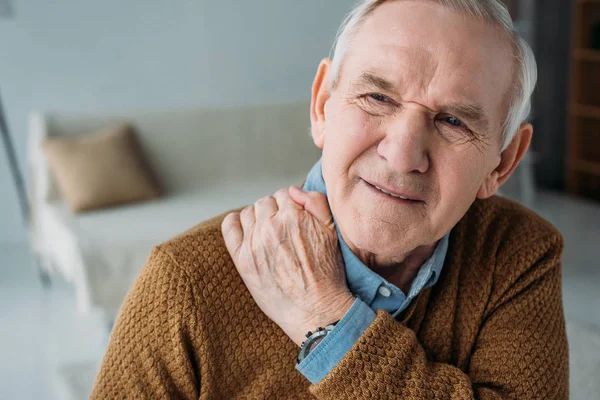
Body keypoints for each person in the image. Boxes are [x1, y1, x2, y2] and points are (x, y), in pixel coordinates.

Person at [91, 0, 569, 398]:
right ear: (322, 105)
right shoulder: (183, 283)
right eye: (377, 98)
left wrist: (327, 318)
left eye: (453, 122)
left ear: (502, 164)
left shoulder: (521, 252)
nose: (403, 155)